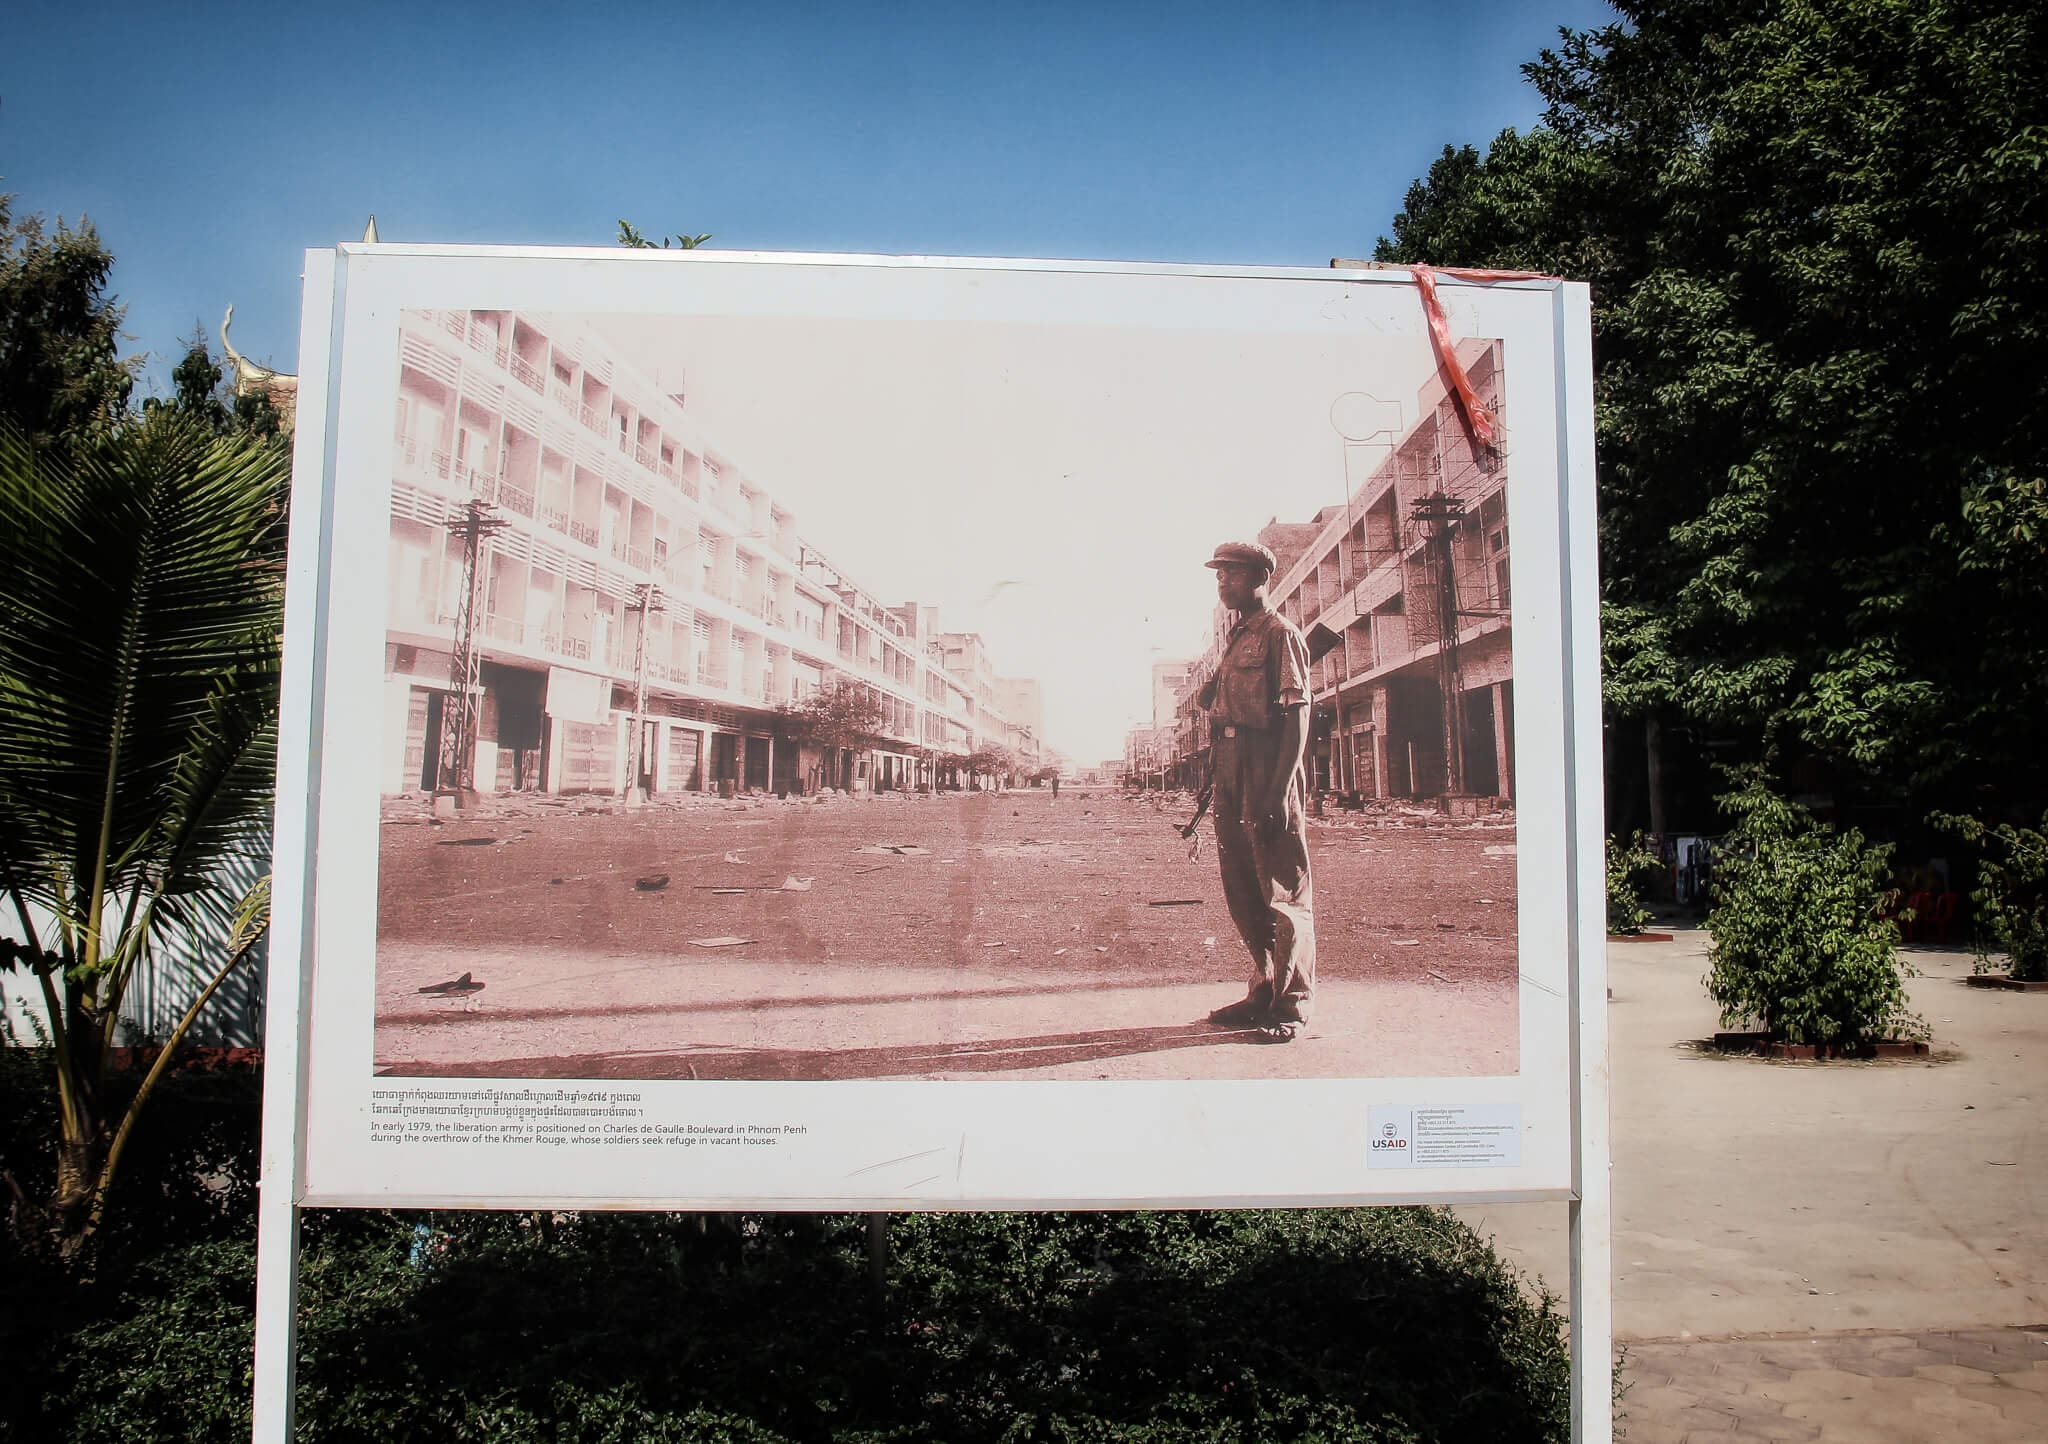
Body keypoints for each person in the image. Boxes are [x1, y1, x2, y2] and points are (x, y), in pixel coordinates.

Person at [1196, 540, 1317, 1042]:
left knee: (1282, 890)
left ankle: (1290, 1005)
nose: (1222, 582)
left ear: (1259, 578)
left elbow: (1297, 715)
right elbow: (1215, 703)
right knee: (1243, 887)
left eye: (1232, 574)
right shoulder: (1236, 637)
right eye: (1219, 575)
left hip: (1267, 765)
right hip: (1230, 768)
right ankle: (1262, 986)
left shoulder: (1279, 633)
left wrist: (1277, 790)